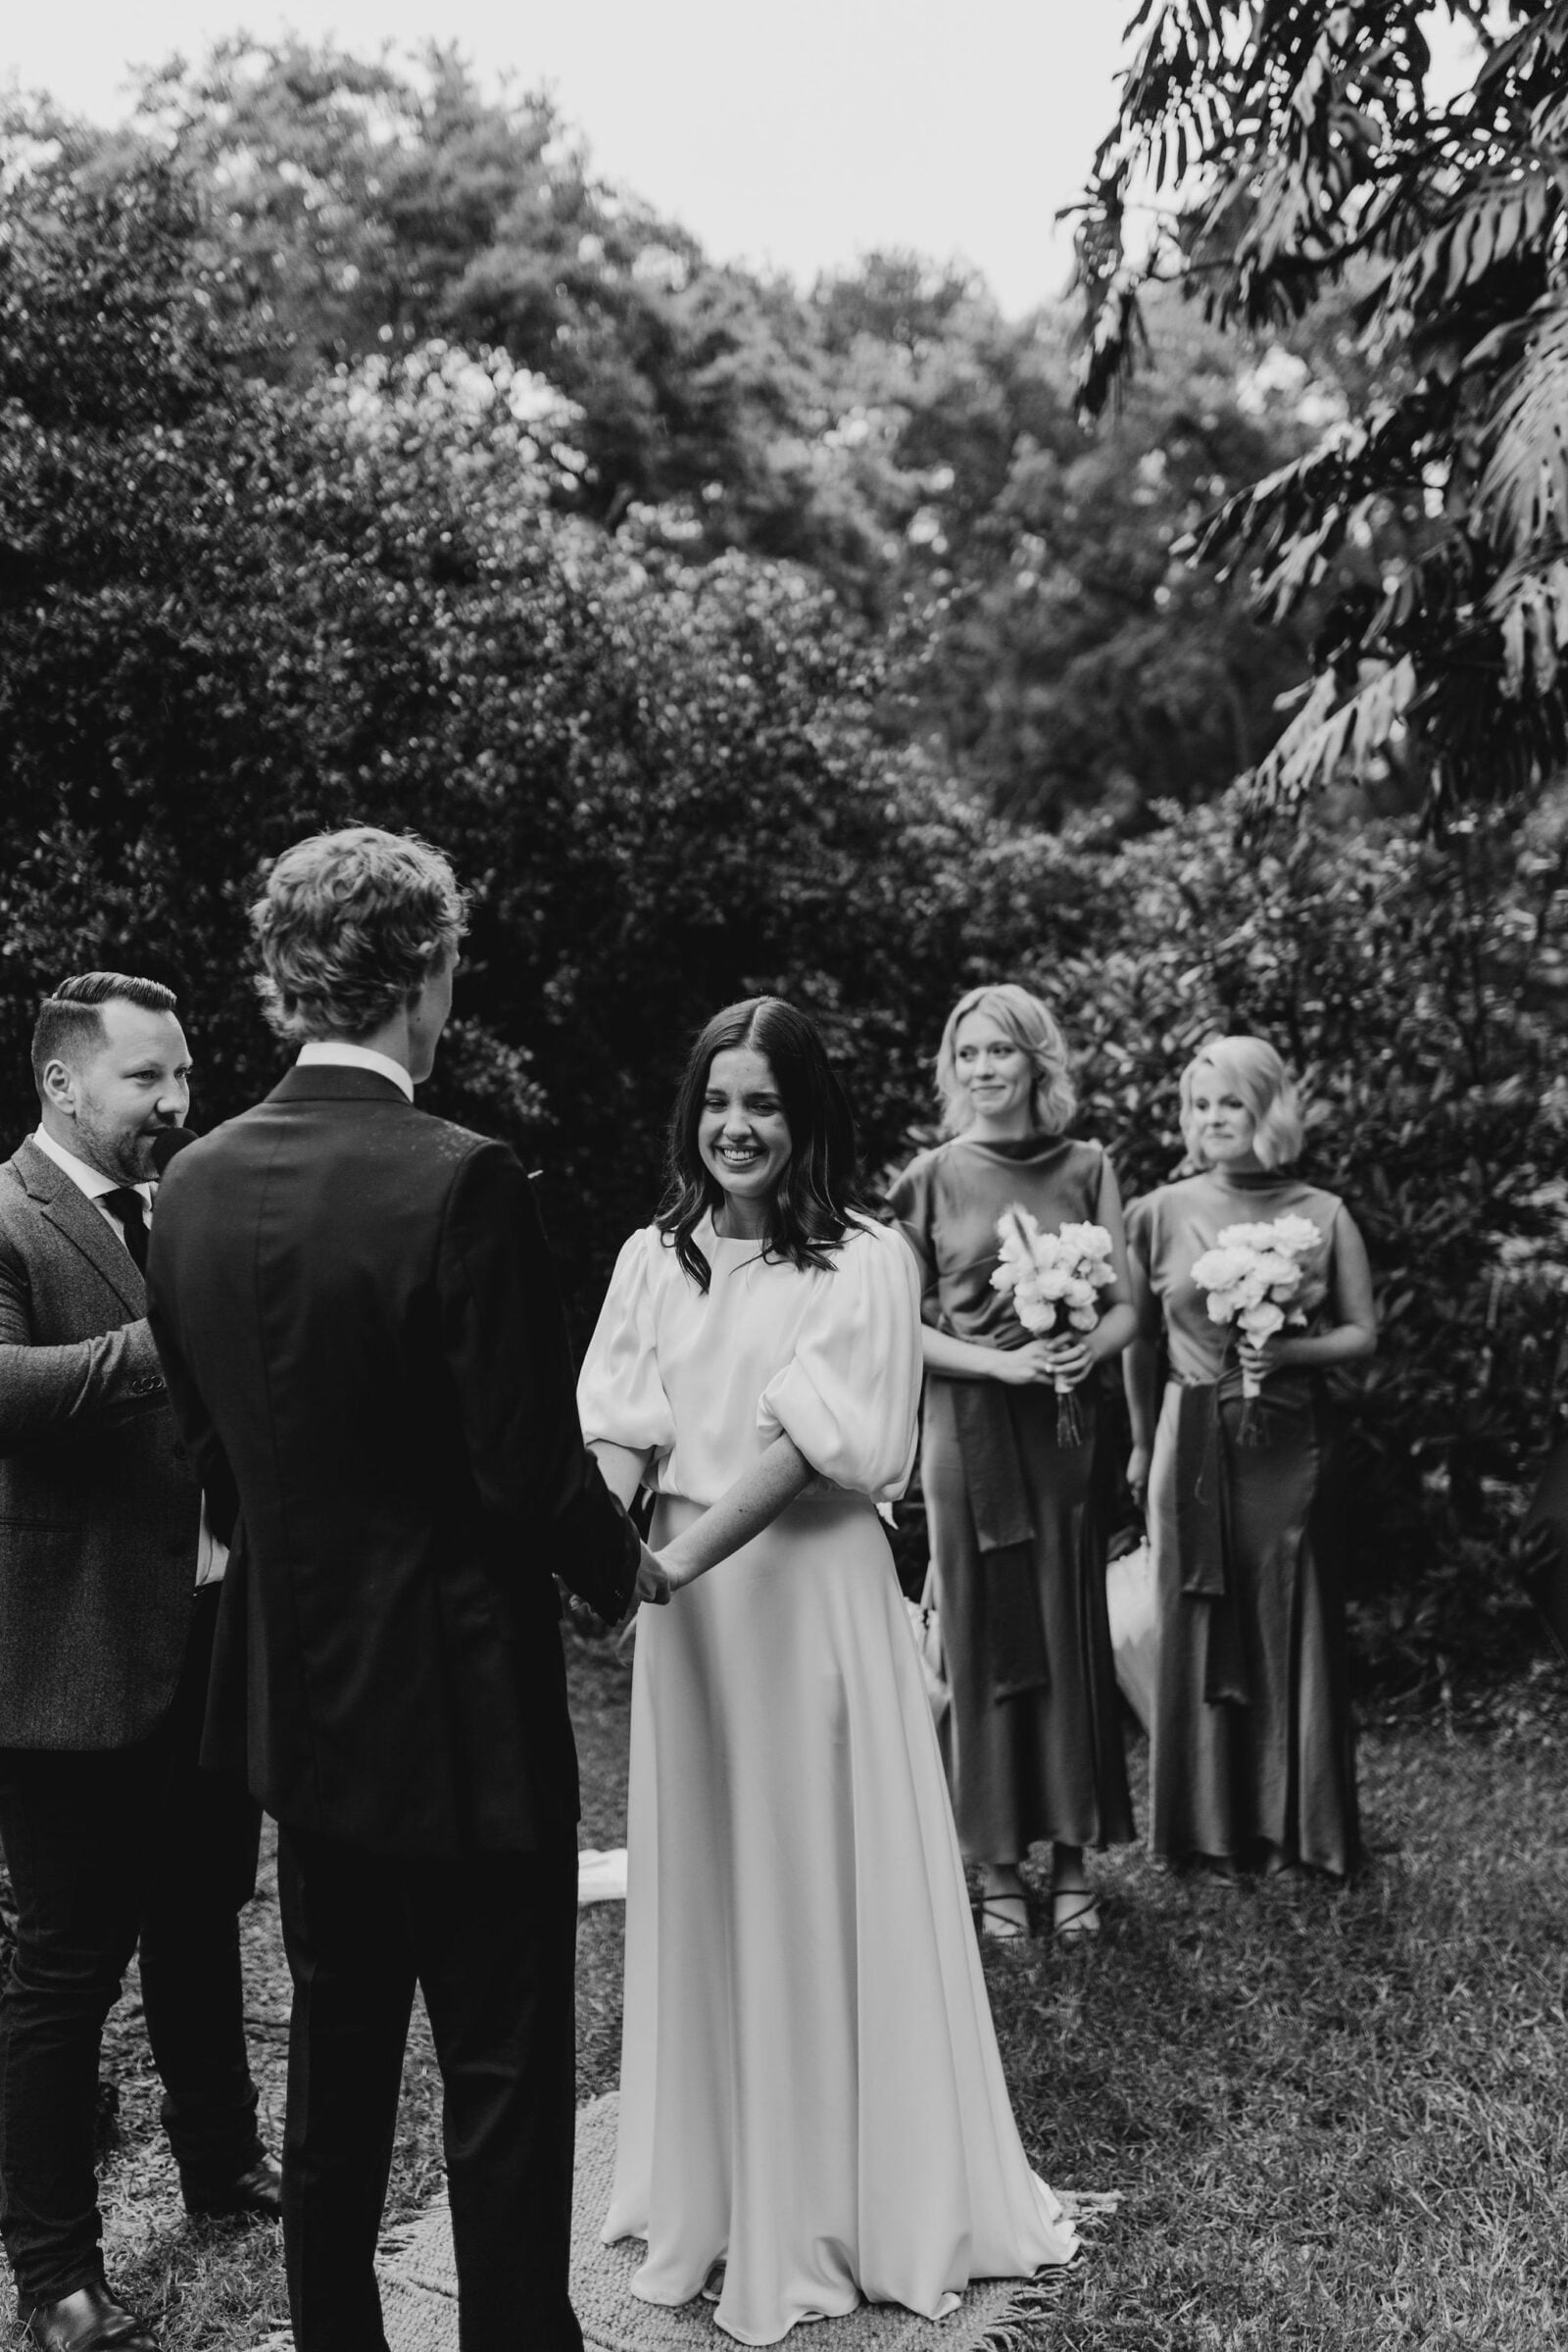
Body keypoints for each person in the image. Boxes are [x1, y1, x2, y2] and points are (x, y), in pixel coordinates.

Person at [144, 828, 660, 2352]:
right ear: (424, 975)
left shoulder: (193, 1181)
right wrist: (624, 1573)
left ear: (284, 981)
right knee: (501, 2066)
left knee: (339, 2051)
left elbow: (209, 1455)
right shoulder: (461, 1178)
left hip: (300, 1711)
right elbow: (526, 1463)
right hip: (465, 1711)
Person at [578, 995, 1079, 2348]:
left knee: (817, 1876)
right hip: (689, 1620)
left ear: (806, 1119)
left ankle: (854, 2194)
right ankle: (722, 2186)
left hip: (801, 1598)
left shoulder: (865, 1259)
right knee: (714, 1875)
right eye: (717, 1102)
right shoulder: (651, 1255)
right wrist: (603, 1543)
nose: (736, 1127)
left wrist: (671, 1566)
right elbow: (620, 1423)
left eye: (764, 1104)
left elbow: (811, 1445)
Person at [0, 972, 277, 2352]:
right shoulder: (9, 1216)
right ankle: (54, 2271)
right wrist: (181, 1331)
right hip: (73, 1662)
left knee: (200, 1924)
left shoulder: (181, 1210)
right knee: (63, 1980)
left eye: (183, 1075)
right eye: (145, 1078)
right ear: (62, 1082)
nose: (176, 1101)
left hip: (214, 1646)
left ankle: (223, 2165)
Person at [887, 984, 1137, 1941]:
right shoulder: (929, 1178)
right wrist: (1000, 1363)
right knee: (981, 1628)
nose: (983, 1068)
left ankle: (1071, 1858)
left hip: (1065, 1431)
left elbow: (1127, 1306)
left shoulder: (1088, 1166)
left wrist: (1086, 1350)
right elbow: (894, 1325)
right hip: (969, 1425)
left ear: (1037, 1060)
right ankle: (994, 1863)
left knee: (1067, 1624)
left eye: (1000, 1050)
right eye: (968, 1053)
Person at [1123, 1035, 1376, 1879]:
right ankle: (1205, 1832)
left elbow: (1362, 1333)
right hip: (1188, 1436)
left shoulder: (1325, 1213)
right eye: (1199, 1105)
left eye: (1231, 1102)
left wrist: (1287, 1353)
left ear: (1268, 1110)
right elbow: (1140, 1340)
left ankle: (1293, 1829)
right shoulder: (1157, 1212)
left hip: (1288, 1446)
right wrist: (1138, 1442)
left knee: (1284, 1618)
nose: (1212, 1119)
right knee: (1194, 1618)